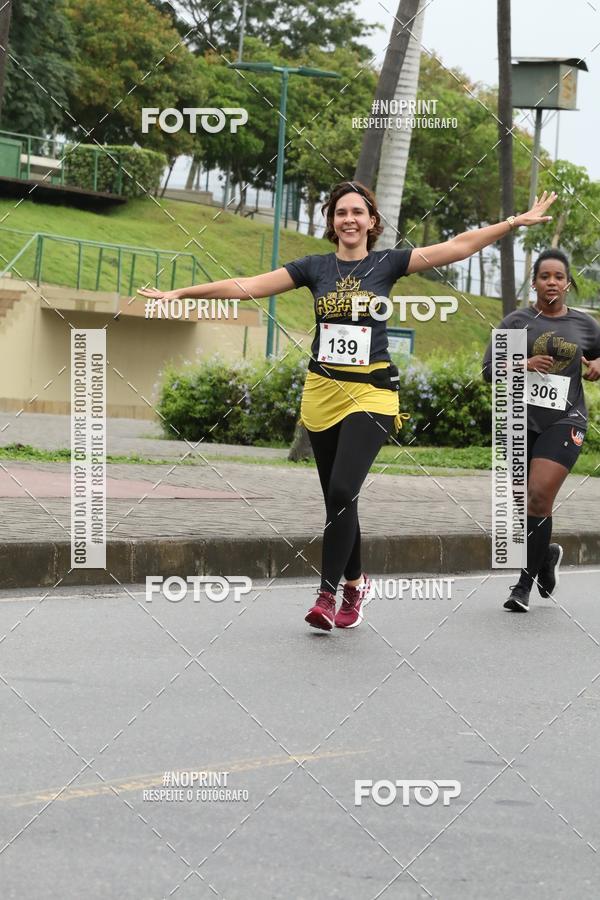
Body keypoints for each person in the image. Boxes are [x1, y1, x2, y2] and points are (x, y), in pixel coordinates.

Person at [140, 182, 556, 631]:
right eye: (341, 213)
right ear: (332, 222)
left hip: (372, 394)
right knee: (339, 500)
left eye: (358, 212)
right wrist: (183, 293)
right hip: (321, 394)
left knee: (341, 491)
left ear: (372, 221)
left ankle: (326, 593)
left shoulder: (388, 263)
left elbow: (456, 247)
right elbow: (248, 287)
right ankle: (356, 586)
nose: (349, 219)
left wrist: (513, 222)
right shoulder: (314, 268)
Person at [483, 248, 600, 612]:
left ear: (568, 284)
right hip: (520, 420)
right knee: (528, 504)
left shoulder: (584, 325)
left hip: (565, 420)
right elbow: (489, 371)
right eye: (545, 276)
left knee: (537, 495)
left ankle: (523, 585)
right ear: (534, 282)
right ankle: (545, 554)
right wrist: (524, 361)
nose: (552, 282)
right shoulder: (516, 322)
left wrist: (598, 364)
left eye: (559, 277)